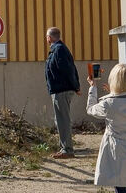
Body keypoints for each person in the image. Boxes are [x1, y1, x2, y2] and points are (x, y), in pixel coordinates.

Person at [87, 63, 126, 193]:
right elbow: (125, 101)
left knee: (120, 186)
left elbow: (91, 109)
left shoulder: (108, 103)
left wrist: (93, 88)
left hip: (116, 150)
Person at [45, 27, 81, 158]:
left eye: (47, 37)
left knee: (63, 120)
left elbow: (68, 70)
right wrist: (76, 86)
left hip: (61, 90)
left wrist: (75, 87)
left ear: (49, 37)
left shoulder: (59, 50)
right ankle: (64, 148)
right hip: (60, 89)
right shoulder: (59, 49)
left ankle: (67, 150)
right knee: (60, 119)